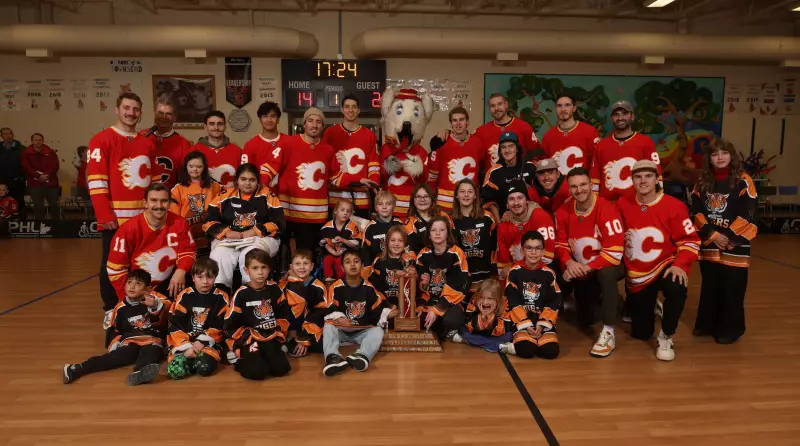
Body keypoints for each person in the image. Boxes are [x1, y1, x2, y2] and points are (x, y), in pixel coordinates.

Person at [617, 159, 700, 361]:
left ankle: (666, 335)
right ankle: (651, 303)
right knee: (640, 333)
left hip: (665, 264)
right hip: (638, 272)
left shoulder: (675, 206)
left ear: (657, 179)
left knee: (676, 285)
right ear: (632, 181)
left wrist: (680, 264)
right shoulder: (623, 204)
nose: (643, 181)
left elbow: (690, 240)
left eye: (648, 176)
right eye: (638, 177)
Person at [88, 92, 157, 320]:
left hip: (142, 219)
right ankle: (110, 309)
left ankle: (136, 307)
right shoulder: (101, 139)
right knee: (111, 265)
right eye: (126, 108)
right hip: (115, 219)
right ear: (117, 110)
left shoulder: (147, 143)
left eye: (136, 109)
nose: (131, 113)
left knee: (138, 265)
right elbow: (97, 182)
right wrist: (104, 214)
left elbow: (153, 183)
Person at [690, 138, 758, 344]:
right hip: (710, 241)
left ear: (731, 156)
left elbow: (750, 213)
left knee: (732, 287)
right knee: (710, 285)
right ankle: (707, 324)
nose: (720, 157)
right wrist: (712, 235)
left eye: (724, 153)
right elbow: (695, 211)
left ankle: (730, 329)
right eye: (715, 154)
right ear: (709, 159)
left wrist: (726, 237)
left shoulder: (744, 180)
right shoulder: (702, 181)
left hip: (734, 243)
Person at [555, 167, 625, 357]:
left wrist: (585, 267)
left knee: (606, 273)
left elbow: (614, 252)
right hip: (582, 267)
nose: (579, 190)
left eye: (583, 184)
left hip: (610, 264)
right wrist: (569, 263)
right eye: (574, 186)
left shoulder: (606, 209)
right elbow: (560, 244)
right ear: (569, 189)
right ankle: (616, 303)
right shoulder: (563, 212)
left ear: (591, 185)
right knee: (585, 319)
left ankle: (609, 331)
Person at [62, 269, 169, 386]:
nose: (132, 287)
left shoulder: (155, 299)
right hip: (131, 341)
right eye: (129, 282)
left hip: (153, 340)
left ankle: (139, 373)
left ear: (148, 289)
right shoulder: (120, 308)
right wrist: (114, 344)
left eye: (138, 283)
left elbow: (169, 309)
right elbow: (114, 329)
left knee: (152, 352)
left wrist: (155, 306)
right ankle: (77, 368)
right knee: (113, 358)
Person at [106, 183, 196, 309]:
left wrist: (181, 270)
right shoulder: (128, 229)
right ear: (145, 203)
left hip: (169, 284)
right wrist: (128, 299)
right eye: (154, 200)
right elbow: (115, 270)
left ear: (170, 203)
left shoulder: (179, 223)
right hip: (138, 289)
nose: (159, 206)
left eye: (164, 201)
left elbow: (188, 252)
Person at [262, 107, 336, 257]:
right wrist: (259, 190)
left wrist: (359, 180)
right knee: (280, 254)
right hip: (286, 212)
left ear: (322, 127)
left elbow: (337, 176)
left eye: (318, 122)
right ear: (304, 124)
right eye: (310, 121)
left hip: (314, 216)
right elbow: (269, 168)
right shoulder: (288, 143)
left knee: (307, 256)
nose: (314, 125)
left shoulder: (328, 150)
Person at [204, 163, 285, 292]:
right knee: (219, 254)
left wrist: (254, 231)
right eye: (243, 179)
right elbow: (208, 222)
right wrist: (226, 231)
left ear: (258, 181)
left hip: (259, 238)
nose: (247, 183)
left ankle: (251, 292)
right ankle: (220, 294)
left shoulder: (267, 194)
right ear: (237, 180)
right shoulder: (225, 195)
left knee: (250, 256)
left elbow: (279, 223)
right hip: (230, 238)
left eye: (252, 180)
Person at [322, 249, 395, 376]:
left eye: (356, 262)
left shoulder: (369, 288)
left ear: (362, 266)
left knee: (378, 331)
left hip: (361, 331)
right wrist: (339, 318)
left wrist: (387, 313)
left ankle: (361, 355)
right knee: (328, 326)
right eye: (348, 262)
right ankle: (333, 358)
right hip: (342, 330)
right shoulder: (335, 287)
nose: (352, 265)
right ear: (342, 267)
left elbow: (377, 308)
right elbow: (329, 307)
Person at [224, 249, 292, 380]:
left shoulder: (275, 289)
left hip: (270, 336)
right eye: (255, 268)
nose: (260, 272)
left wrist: (278, 334)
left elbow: (283, 316)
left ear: (269, 269)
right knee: (257, 372)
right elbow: (229, 324)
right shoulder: (241, 294)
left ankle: (267, 356)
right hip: (250, 339)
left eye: (263, 267)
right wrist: (244, 339)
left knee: (282, 370)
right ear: (246, 270)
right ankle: (238, 360)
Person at [166, 258, 230, 380]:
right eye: (200, 277)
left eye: (209, 277)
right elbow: (174, 323)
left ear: (215, 277)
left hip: (208, 344)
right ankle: (187, 359)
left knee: (204, 368)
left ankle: (194, 362)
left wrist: (202, 341)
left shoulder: (221, 297)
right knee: (175, 372)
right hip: (185, 343)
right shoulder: (184, 295)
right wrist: (186, 347)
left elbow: (221, 325)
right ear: (193, 277)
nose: (205, 281)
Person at [501, 230, 561, 359]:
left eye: (538, 248)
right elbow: (513, 300)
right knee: (526, 351)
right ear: (522, 251)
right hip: (521, 319)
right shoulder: (515, 272)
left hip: (541, 319)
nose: (533, 253)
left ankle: (536, 340)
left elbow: (553, 301)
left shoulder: (549, 273)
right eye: (529, 248)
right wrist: (526, 324)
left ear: (543, 251)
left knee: (550, 352)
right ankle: (519, 343)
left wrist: (541, 324)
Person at [438, 94, 541, 165]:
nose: (496, 108)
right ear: (489, 109)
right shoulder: (481, 131)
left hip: (518, 187)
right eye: (492, 106)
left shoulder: (523, 127)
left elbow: (537, 155)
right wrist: (448, 131)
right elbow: (464, 138)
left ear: (506, 105)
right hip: (492, 186)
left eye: (499, 104)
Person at [591, 100, 661, 203]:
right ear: (612, 119)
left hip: (637, 204)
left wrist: (657, 200)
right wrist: (595, 205)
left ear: (632, 116)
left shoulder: (646, 142)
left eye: (625, 113)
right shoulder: (601, 146)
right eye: (616, 115)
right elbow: (595, 179)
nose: (620, 118)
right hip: (608, 205)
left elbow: (657, 174)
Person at [324, 94, 380, 218]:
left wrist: (374, 184)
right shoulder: (330, 133)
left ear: (359, 110)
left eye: (354, 107)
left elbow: (373, 164)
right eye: (347, 107)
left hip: (361, 197)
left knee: (358, 235)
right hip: (335, 197)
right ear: (342, 110)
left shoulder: (369, 135)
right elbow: (326, 164)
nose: (351, 110)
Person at [416, 216, 469, 340]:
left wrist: (437, 309)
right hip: (430, 301)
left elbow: (460, 285)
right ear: (429, 234)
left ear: (448, 233)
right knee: (417, 320)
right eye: (434, 230)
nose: (438, 233)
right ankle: (440, 329)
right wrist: (423, 284)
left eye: (442, 230)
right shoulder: (423, 254)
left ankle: (444, 327)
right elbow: (420, 287)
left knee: (451, 320)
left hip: (450, 302)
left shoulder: (456, 253)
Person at [496, 180, 556, 279]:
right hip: (517, 275)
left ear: (527, 200)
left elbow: (547, 258)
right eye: (511, 199)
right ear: (506, 204)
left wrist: (518, 263)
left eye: (520, 198)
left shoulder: (541, 216)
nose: (516, 203)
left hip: (542, 272)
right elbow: (502, 269)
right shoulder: (503, 226)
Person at [427, 107, 484, 211]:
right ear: (451, 123)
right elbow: (432, 175)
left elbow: (481, 170)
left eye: (461, 119)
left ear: (467, 122)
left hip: (470, 203)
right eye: (454, 120)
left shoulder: (478, 143)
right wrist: (431, 201)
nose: (458, 123)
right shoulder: (441, 142)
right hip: (445, 204)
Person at [169, 151, 223, 256]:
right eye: (191, 166)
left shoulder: (216, 187)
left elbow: (224, 211)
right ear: (186, 167)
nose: (195, 169)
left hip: (212, 238)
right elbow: (174, 219)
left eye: (199, 166)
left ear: (204, 168)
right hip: (186, 239)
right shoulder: (177, 190)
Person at [281, 249, 331, 358]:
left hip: (310, 325)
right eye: (297, 264)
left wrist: (304, 338)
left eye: (306, 264)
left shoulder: (318, 286)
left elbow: (319, 314)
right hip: (291, 326)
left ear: (312, 266)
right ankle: (288, 340)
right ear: (291, 267)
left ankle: (299, 342)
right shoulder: (286, 283)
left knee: (322, 345)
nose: (302, 267)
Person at [451, 179, 497, 294]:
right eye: (462, 191)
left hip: (485, 277)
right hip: (462, 278)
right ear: (457, 195)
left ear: (475, 195)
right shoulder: (450, 220)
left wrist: (494, 271)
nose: (466, 195)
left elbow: (495, 245)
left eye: (470, 192)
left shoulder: (488, 217)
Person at [481, 132, 537, 222]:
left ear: (517, 148)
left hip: (530, 217)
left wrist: (528, 188)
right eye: (503, 147)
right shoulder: (494, 172)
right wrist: (499, 222)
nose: (507, 150)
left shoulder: (530, 167)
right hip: (505, 219)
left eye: (511, 146)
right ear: (500, 150)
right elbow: (488, 201)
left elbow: (539, 195)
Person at [540, 94, 600, 174]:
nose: (563, 109)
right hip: (558, 185)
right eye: (559, 106)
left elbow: (597, 161)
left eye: (567, 105)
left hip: (581, 184)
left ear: (574, 108)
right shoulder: (548, 136)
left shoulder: (589, 131)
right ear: (556, 109)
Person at [366, 225, 417, 313]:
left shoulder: (409, 260)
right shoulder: (379, 261)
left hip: (405, 306)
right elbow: (373, 286)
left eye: (400, 240)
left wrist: (410, 275)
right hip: (385, 305)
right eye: (393, 240)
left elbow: (416, 285)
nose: (396, 244)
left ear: (405, 243)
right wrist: (385, 305)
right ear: (387, 242)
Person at [452, 279, 512, 353]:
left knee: (509, 335)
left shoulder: (505, 303)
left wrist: (490, 317)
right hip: (477, 332)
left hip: (495, 335)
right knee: (463, 330)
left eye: (490, 298)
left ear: (497, 299)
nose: (485, 302)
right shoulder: (474, 299)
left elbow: (506, 327)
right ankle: (498, 346)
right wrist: (481, 316)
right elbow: (467, 322)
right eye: (481, 297)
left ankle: (469, 341)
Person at [145, 98, 192, 190]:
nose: (164, 117)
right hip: (142, 197)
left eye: (168, 114)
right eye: (160, 113)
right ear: (155, 114)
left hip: (169, 198)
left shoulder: (183, 143)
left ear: (175, 117)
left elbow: (187, 178)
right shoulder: (142, 137)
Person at [192, 110, 242, 189]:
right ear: (205, 127)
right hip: (202, 197)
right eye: (212, 124)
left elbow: (243, 178)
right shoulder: (194, 150)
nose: (216, 128)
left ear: (225, 126)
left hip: (230, 197)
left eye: (220, 124)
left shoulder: (237, 151)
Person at [242, 101, 286, 188]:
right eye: (265, 116)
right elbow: (245, 174)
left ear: (278, 119)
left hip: (285, 196)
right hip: (261, 195)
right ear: (260, 119)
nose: (269, 120)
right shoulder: (250, 145)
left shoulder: (289, 142)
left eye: (273, 116)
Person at [403, 183, 453, 255]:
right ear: (413, 200)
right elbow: (409, 250)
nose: (422, 200)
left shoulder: (444, 216)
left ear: (431, 198)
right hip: (421, 262)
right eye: (418, 197)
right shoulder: (410, 223)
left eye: (426, 196)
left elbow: (453, 241)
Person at [320, 199, 362, 281]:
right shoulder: (327, 227)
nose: (345, 213)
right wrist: (334, 253)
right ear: (336, 211)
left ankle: (342, 279)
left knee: (341, 260)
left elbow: (356, 244)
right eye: (342, 210)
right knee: (327, 259)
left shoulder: (353, 226)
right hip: (332, 252)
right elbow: (325, 243)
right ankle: (328, 278)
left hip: (347, 253)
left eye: (348, 211)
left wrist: (343, 240)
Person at [21, 133, 60, 220]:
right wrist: (38, 176)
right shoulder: (26, 153)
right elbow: (26, 167)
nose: (38, 142)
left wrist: (47, 175)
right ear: (32, 141)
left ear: (43, 141)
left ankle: (57, 224)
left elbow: (55, 165)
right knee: (38, 205)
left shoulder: (50, 152)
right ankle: (40, 225)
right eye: (36, 140)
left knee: (54, 205)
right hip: (35, 184)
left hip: (51, 183)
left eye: (40, 140)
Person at [360, 190, 404, 265]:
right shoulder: (370, 227)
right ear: (376, 208)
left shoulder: (400, 224)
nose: (384, 207)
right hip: (377, 267)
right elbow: (365, 251)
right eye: (380, 204)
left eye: (388, 204)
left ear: (393, 206)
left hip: (398, 266)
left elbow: (407, 246)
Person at [0, 127, 25, 216]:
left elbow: (26, 166)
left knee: (18, 205)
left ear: (13, 135)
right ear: (2, 136)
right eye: (5, 134)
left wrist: (21, 178)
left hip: (17, 182)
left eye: (10, 133)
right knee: (2, 205)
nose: (8, 136)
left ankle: (21, 223)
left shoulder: (21, 149)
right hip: (2, 183)